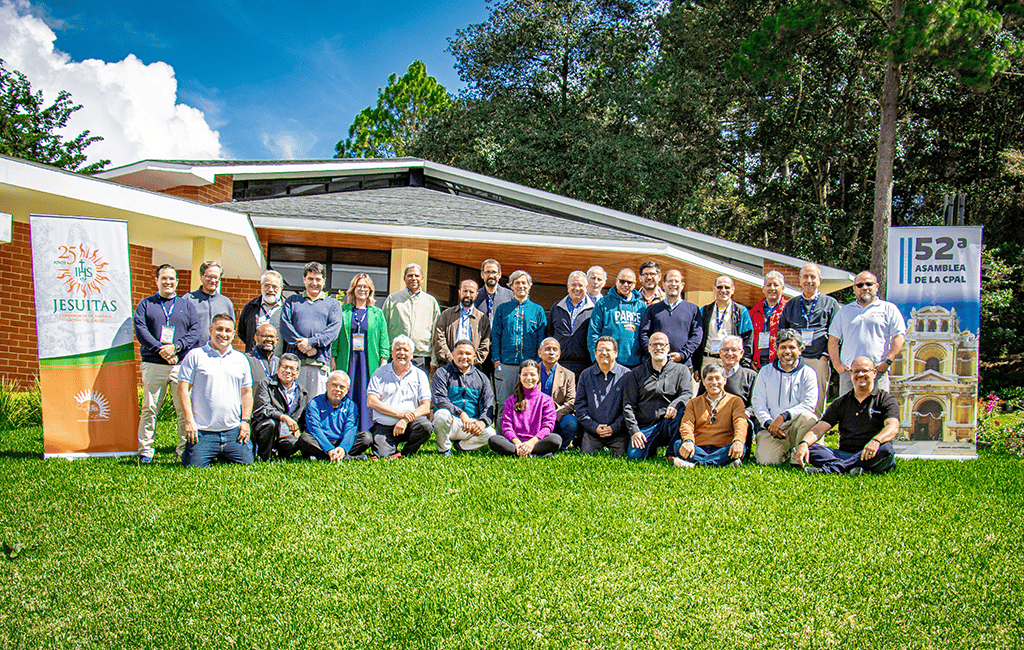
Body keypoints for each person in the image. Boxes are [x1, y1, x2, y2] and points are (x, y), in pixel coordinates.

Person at [133, 264, 200, 462]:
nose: (168, 282)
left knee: (183, 409)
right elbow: (141, 330)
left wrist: (176, 347)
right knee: (150, 408)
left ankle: (183, 450)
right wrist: (161, 350)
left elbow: (195, 330)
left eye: (172, 279)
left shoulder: (186, 305)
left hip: (180, 365)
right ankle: (145, 450)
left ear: (177, 282)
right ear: (156, 281)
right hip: (154, 364)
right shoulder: (146, 304)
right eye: (164, 278)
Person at [794, 356, 899, 475]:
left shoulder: (886, 399)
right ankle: (854, 470)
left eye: (865, 371)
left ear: (874, 373)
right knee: (812, 449)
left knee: (886, 450)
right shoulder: (841, 402)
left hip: (872, 452)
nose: (860, 374)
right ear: (850, 373)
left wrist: (876, 441)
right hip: (844, 454)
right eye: (856, 371)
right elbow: (819, 429)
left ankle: (833, 469)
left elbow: (893, 427)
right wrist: (804, 443)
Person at [177, 314, 253, 468]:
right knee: (193, 467)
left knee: (247, 464)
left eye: (227, 330)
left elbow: (246, 393)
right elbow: (182, 390)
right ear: (210, 330)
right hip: (203, 431)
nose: (223, 334)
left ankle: (223, 452)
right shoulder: (195, 356)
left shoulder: (241, 359)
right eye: (219, 329)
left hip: (233, 431)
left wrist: (245, 422)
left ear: (233, 334)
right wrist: (189, 422)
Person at [828, 270, 907, 395]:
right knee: (847, 412)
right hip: (849, 373)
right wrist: (837, 364)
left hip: (877, 372)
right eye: (860, 285)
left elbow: (899, 336)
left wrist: (888, 361)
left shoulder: (888, 309)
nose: (865, 287)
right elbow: (833, 339)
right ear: (854, 289)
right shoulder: (844, 311)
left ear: (876, 287)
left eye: (869, 284)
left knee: (877, 411)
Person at [331, 273, 390, 435]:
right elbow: (335, 337)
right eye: (359, 286)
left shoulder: (377, 313)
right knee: (346, 391)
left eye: (365, 287)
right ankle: (344, 429)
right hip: (348, 360)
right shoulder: (343, 311)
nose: (362, 289)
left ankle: (365, 430)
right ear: (353, 289)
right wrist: (333, 358)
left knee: (366, 394)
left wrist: (383, 362)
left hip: (368, 362)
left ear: (370, 290)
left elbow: (384, 340)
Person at [779, 263, 840, 414]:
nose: (809, 280)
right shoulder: (792, 303)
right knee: (792, 399)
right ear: (799, 280)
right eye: (805, 276)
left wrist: (826, 356)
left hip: (819, 359)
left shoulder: (830, 303)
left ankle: (815, 436)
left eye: (813, 277)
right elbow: (782, 332)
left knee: (817, 401)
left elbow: (838, 333)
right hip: (795, 360)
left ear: (819, 280)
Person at [751, 329, 819, 465]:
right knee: (766, 462)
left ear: (800, 349)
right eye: (783, 347)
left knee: (809, 418)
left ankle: (796, 457)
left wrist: (784, 416)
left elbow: (809, 404)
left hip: (797, 425)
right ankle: (785, 451)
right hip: (772, 430)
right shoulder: (765, 372)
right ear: (776, 349)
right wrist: (769, 423)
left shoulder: (808, 373)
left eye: (792, 347)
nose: (787, 351)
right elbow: (758, 402)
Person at [623, 332, 693, 460]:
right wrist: (635, 431)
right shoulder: (636, 373)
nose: (658, 348)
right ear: (648, 348)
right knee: (634, 456)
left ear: (668, 348)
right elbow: (628, 405)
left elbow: (687, 394)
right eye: (654, 345)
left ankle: (671, 452)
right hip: (646, 427)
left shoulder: (681, 370)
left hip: (669, 424)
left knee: (682, 409)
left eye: (662, 345)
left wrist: (675, 404)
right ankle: (652, 447)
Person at [280, 261, 342, 398]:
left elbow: (333, 330)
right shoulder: (292, 301)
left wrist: (312, 342)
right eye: (310, 279)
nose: (314, 283)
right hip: (294, 365)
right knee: (293, 405)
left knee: (315, 407)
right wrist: (302, 345)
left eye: (318, 279)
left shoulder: (333, 304)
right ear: (304, 279)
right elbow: (285, 326)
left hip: (319, 365)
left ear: (324, 281)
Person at [367, 335, 433, 459]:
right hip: (385, 425)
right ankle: (390, 451)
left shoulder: (420, 375)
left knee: (426, 426)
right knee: (382, 455)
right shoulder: (380, 373)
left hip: (410, 424)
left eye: (405, 350)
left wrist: (405, 419)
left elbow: (425, 407)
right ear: (392, 353)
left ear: (412, 354)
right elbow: (371, 402)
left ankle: (406, 453)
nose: (401, 353)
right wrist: (399, 415)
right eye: (397, 349)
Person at [672, 363, 747, 469]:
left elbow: (740, 422)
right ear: (704, 381)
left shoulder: (735, 401)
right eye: (710, 379)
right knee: (678, 444)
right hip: (698, 447)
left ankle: (694, 466)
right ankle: (722, 464)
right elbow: (686, 424)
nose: (714, 383)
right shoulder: (694, 403)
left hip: (723, 447)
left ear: (725, 380)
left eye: (717, 378)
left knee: (740, 447)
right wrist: (688, 440)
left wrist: (738, 441)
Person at [491, 270, 547, 408]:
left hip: (530, 367)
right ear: (511, 286)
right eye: (517, 283)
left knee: (529, 405)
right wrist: (497, 361)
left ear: (529, 286)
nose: (521, 286)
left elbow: (542, 338)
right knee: (503, 407)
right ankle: (501, 430)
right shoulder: (503, 309)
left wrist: (538, 363)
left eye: (524, 283)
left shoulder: (538, 310)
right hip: (506, 365)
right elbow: (495, 335)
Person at [432, 339, 496, 455]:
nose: (464, 357)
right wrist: (460, 413)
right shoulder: (442, 373)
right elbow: (439, 399)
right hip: (450, 422)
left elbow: (488, 404)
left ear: (474, 356)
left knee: (490, 433)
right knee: (441, 415)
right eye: (460, 353)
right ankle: (444, 449)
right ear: (452, 354)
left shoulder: (481, 378)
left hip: (471, 424)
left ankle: (462, 446)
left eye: (468, 354)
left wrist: (483, 422)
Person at [489, 360, 561, 457]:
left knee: (555, 440)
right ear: (520, 376)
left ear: (538, 376)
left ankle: (522, 452)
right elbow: (506, 426)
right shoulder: (511, 400)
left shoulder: (547, 400)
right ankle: (533, 453)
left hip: (537, 441)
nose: (529, 378)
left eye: (532, 375)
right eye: (525, 375)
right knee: (493, 440)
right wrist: (517, 442)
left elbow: (548, 426)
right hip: (515, 442)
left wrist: (531, 443)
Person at [575, 336, 630, 456]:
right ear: (595, 353)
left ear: (615, 353)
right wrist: (594, 427)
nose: (604, 353)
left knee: (622, 457)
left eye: (608, 350)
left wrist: (614, 428)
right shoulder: (586, 375)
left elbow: (629, 406)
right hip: (593, 432)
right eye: (600, 350)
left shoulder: (627, 376)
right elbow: (579, 406)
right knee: (587, 457)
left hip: (618, 433)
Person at [382, 263, 441, 373]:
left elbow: (436, 332)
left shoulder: (431, 302)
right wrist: (385, 356)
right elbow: (383, 330)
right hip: (397, 354)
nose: (413, 278)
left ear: (422, 279)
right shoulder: (392, 300)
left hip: (422, 356)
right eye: (410, 275)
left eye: (417, 276)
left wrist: (434, 359)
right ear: (404, 278)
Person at [638, 269, 702, 368]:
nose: (673, 284)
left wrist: (683, 354)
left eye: (677, 281)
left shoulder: (693, 309)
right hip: (656, 365)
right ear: (663, 285)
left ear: (682, 285)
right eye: (670, 281)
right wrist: (654, 353)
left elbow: (696, 336)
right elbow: (644, 334)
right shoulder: (652, 309)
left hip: (683, 365)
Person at [304, 370, 373, 461]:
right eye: (334, 385)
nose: (338, 389)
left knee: (366, 438)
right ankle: (345, 457)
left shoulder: (351, 406)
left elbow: (350, 429)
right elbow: (314, 429)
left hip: (341, 441)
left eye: (342, 387)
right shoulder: (314, 403)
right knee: (304, 439)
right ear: (327, 385)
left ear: (347, 390)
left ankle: (328, 456)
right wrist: (328, 448)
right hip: (320, 442)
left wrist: (343, 448)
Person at [251, 353, 310, 461]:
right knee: (270, 424)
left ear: (297, 373)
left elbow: (300, 417)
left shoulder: (302, 392)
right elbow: (263, 409)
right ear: (278, 369)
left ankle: (280, 455)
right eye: (285, 367)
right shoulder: (266, 384)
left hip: (287, 433)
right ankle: (264, 457)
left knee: (297, 441)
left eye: (292, 368)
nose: (288, 371)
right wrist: (284, 417)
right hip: (266, 430)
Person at [695, 275, 754, 377]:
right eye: (719, 287)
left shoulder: (741, 311)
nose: (723, 290)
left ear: (733, 290)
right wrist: (696, 365)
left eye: (727, 287)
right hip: (708, 360)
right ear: (714, 289)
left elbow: (748, 340)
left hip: (730, 361)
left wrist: (744, 364)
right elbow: (697, 338)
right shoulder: (704, 311)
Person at [587, 268, 647, 368]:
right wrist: (596, 359)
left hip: (636, 365)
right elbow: (593, 333)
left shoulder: (641, 307)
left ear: (635, 284)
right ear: (616, 281)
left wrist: (645, 360)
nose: (625, 285)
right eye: (622, 281)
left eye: (629, 282)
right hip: (609, 364)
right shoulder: (603, 303)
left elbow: (646, 334)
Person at [547, 270, 595, 379]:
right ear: (568, 286)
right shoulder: (556, 307)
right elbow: (549, 333)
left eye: (580, 285)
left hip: (585, 366)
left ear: (586, 287)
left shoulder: (594, 309)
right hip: (559, 364)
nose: (577, 288)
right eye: (573, 285)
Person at [435, 279, 491, 368]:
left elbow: (485, 344)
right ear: (459, 292)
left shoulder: (483, 319)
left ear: (476, 295)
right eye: (465, 291)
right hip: (448, 366)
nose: (467, 295)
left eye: (471, 292)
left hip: (473, 368)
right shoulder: (447, 314)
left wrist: (471, 362)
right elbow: (439, 339)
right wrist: (452, 359)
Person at [537, 337, 578, 450]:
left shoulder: (568, 375)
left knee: (571, 423)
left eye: (554, 349)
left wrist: (554, 414)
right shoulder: (531, 372)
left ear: (559, 354)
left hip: (558, 415)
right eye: (547, 349)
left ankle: (561, 447)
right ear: (540, 353)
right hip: (536, 415)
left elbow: (571, 401)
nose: (551, 352)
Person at [183, 261, 235, 348]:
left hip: (218, 353)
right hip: (193, 351)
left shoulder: (226, 302)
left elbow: (230, 329)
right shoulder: (188, 300)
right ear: (201, 276)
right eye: (209, 277)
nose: (213, 280)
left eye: (216, 277)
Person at [238, 270, 284, 354]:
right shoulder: (250, 307)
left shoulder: (287, 309)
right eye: (267, 285)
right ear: (261, 286)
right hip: (255, 360)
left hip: (280, 361)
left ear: (281, 288)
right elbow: (242, 333)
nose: (270, 290)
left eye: (274, 286)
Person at [750, 271, 789, 370]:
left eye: (776, 285)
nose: (772, 288)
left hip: (781, 362)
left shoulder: (789, 309)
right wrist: (750, 358)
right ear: (763, 289)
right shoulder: (755, 310)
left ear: (782, 288)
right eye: (768, 285)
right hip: (758, 363)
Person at [474, 258, 514, 325]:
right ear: (482, 275)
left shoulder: (510, 295)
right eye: (487, 272)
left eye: (494, 272)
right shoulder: (475, 296)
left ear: (499, 275)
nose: (491, 275)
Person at [245, 323, 279, 391]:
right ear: (256, 338)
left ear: (277, 340)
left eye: (272, 336)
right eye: (264, 336)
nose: (268, 339)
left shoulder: (279, 362)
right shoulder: (246, 360)